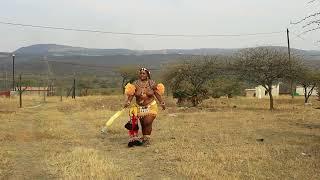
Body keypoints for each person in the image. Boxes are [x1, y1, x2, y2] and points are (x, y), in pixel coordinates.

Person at [124, 67, 165, 147]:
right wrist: (128, 102)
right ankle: (144, 138)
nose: (142, 75)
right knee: (143, 124)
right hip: (139, 107)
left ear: (147, 75)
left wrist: (162, 102)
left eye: (144, 73)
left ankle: (147, 139)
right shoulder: (135, 84)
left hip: (151, 106)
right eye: (140, 73)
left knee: (147, 122)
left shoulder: (152, 83)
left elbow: (156, 93)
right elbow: (132, 94)